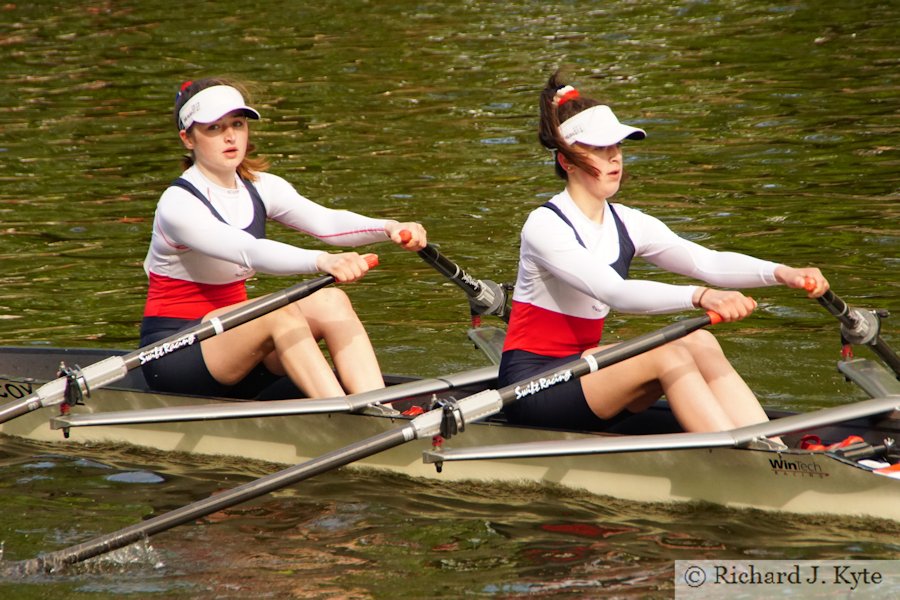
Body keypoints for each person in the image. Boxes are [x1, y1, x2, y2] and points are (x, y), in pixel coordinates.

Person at [497, 70, 829, 442]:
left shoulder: (627, 222)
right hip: (532, 387)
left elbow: (709, 262)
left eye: (617, 147)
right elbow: (615, 293)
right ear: (567, 161)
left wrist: (783, 273)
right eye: (599, 149)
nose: (614, 158)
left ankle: (772, 447)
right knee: (668, 355)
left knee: (701, 342)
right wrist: (700, 296)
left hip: (586, 372)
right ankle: (744, 463)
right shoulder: (545, 226)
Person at [140, 77, 427, 400]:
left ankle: (377, 407)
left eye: (237, 124)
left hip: (241, 345)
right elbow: (249, 251)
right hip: (175, 354)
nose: (231, 136)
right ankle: (342, 415)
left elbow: (327, 222)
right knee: (278, 312)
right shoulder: (177, 204)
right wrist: (322, 260)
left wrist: (388, 227)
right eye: (214, 128)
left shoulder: (261, 186)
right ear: (188, 139)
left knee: (332, 301)